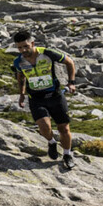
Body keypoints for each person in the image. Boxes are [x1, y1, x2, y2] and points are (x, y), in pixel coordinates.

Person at [12, 29, 79, 169]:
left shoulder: (47, 53)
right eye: (19, 47)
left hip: (55, 96)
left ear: (32, 43)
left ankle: (67, 154)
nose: (23, 50)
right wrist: (21, 94)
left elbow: (70, 62)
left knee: (64, 128)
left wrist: (71, 82)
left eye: (26, 46)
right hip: (36, 98)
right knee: (43, 126)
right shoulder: (18, 61)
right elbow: (21, 76)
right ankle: (51, 142)